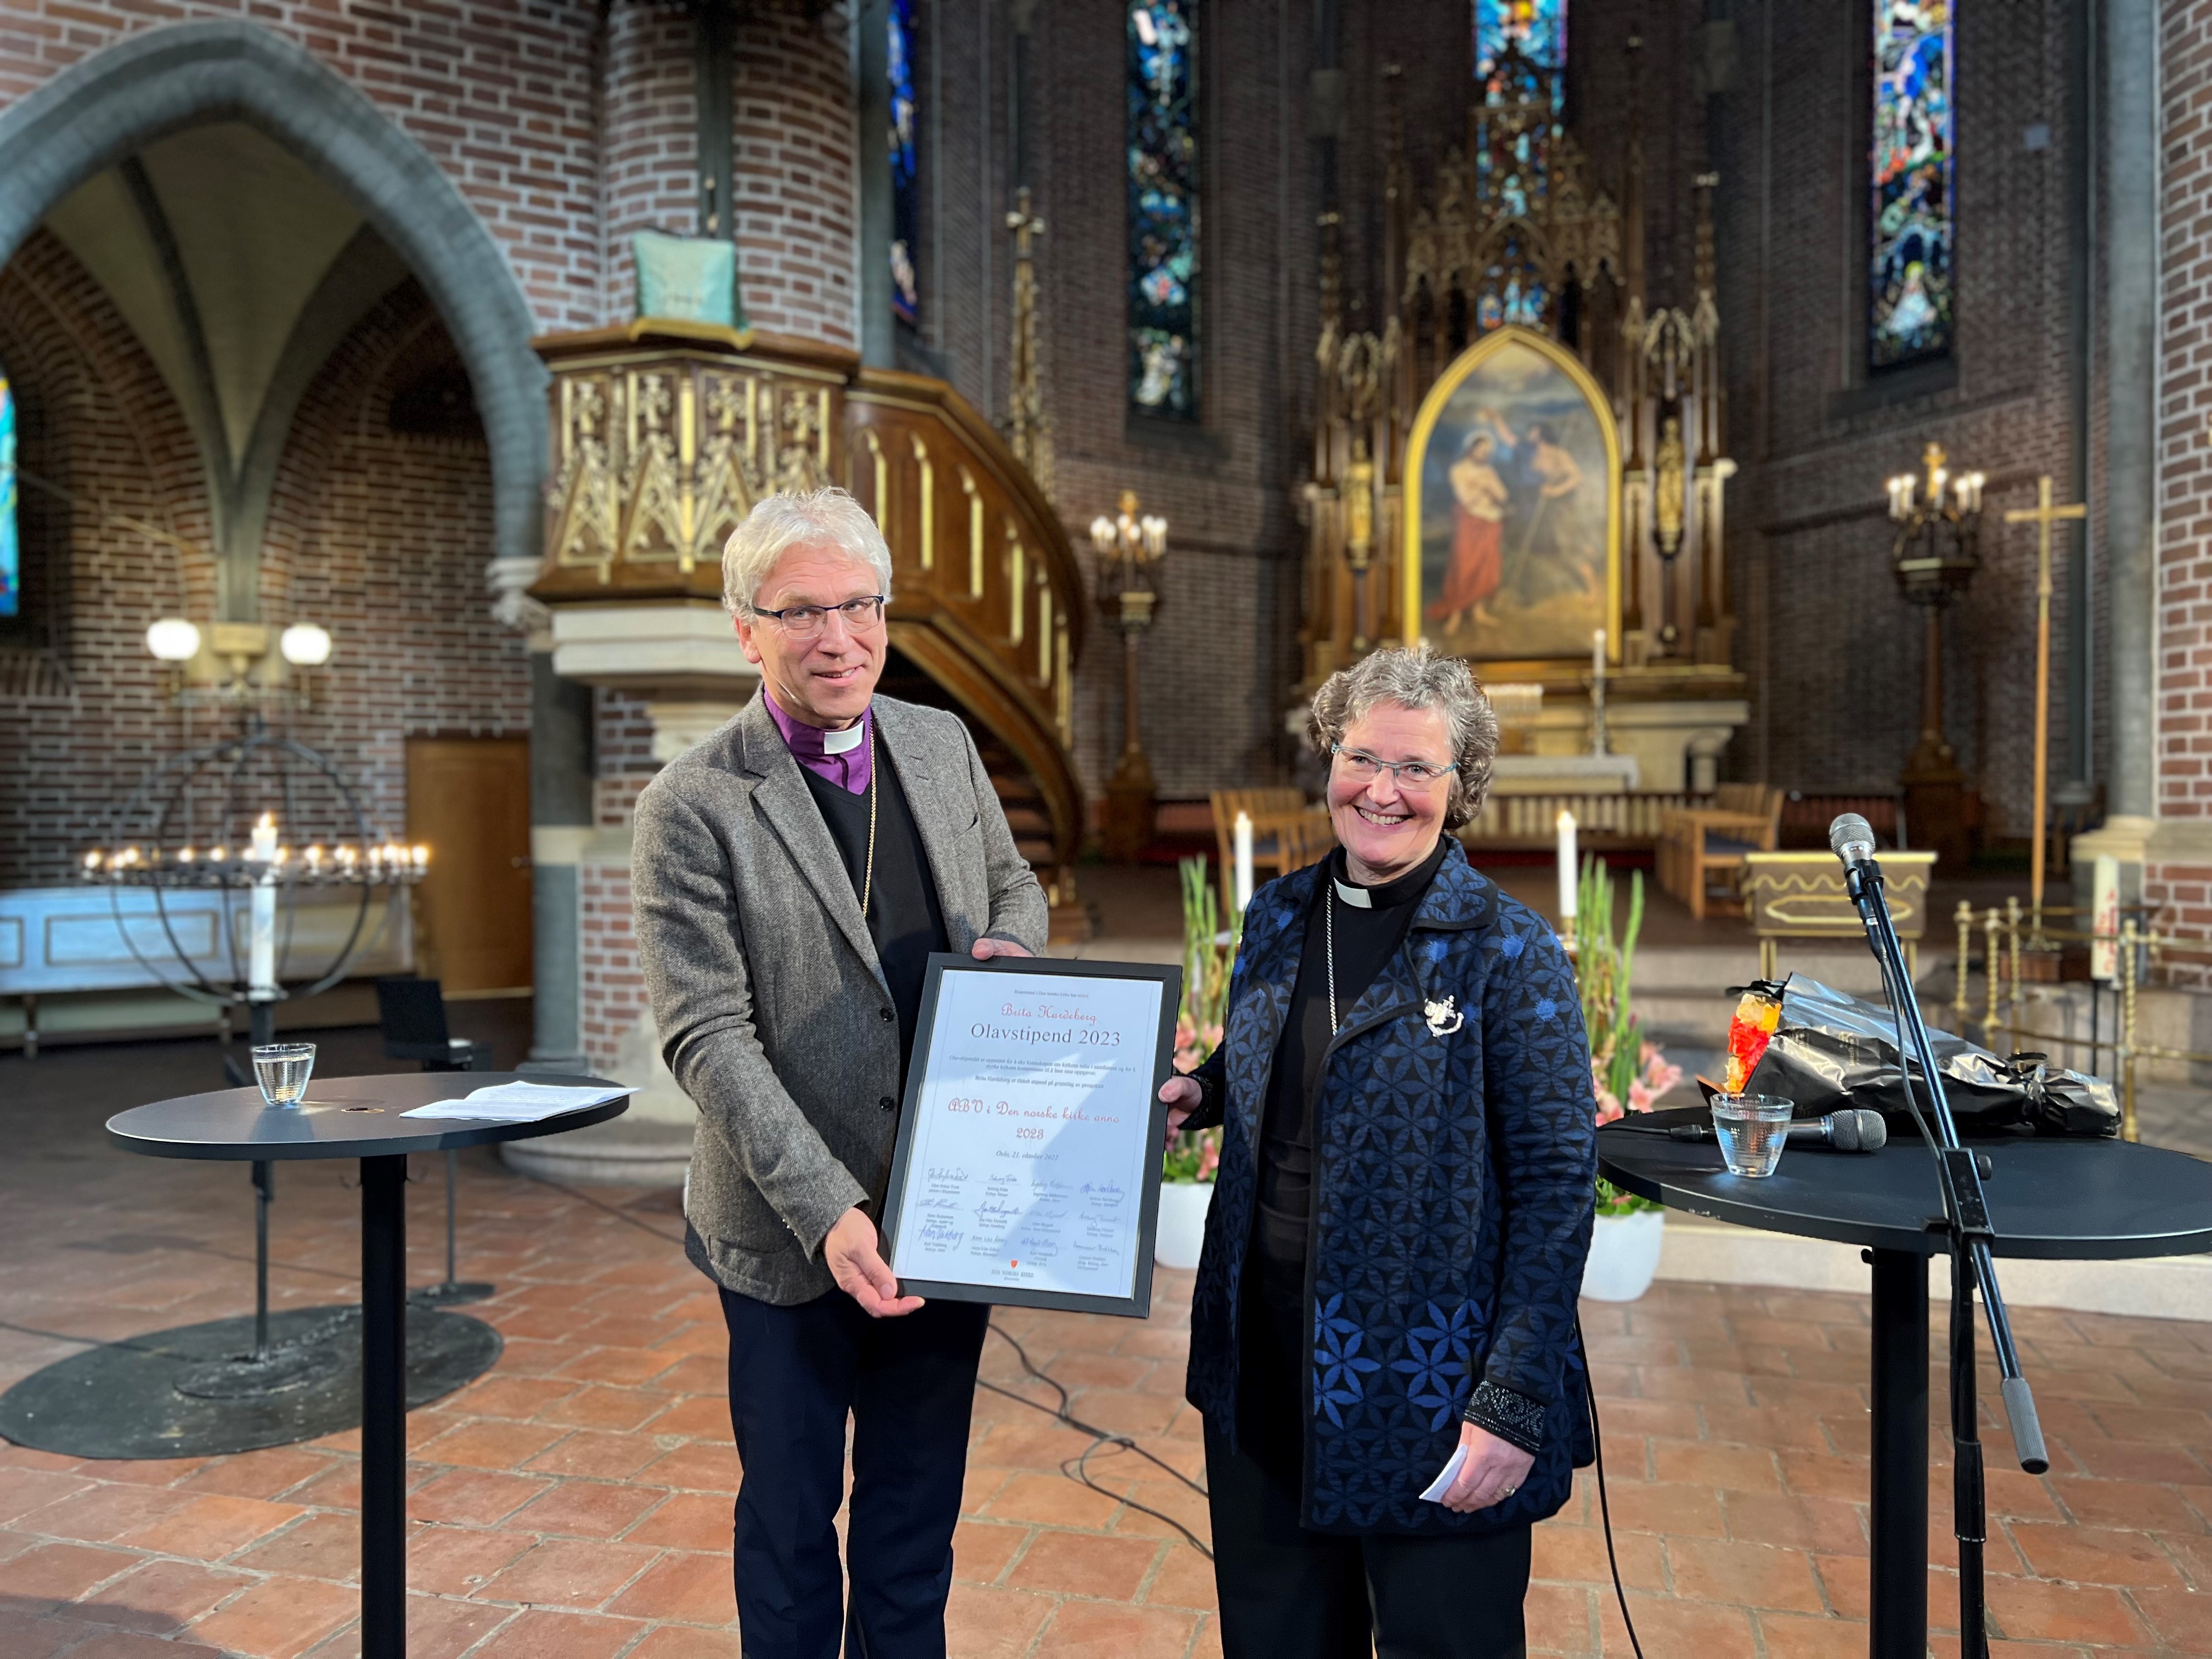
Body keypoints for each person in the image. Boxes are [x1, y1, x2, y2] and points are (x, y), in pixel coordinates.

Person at [631, 487, 1047, 1659]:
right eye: (800, 611)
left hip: (945, 1205)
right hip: (786, 1234)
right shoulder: (693, 805)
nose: (838, 637)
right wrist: (829, 1211)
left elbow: (1012, 883)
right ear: (744, 626)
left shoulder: (940, 741)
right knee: (789, 1528)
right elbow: (707, 1037)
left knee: (916, 1526)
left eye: (859, 605)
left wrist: (1012, 947)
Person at [1159, 644, 1596, 1659]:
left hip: (1430, 1383)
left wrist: (1510, 1395)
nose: (1382, 790)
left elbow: (1556, 1185)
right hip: (1261, 1362)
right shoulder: (1275, 916)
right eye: (1362, 757)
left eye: (1415, 768)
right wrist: (1207, 1087)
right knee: (1274, 1635)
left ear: (1461, 787)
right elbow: (1288, 1045)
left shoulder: (1506, 948)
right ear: (1328, 758)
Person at [1425, 431, 1508, 635]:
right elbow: (1466, 499)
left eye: (1487, 452)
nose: (1483, 454)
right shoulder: (1459, 470)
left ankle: (1479, 611)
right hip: (1468, 522)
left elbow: (1503, 496)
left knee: (1486, 566)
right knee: (1464, 566)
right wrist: (1484, 487)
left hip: (1490, 522)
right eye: (1480, 450)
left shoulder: (1489, 471)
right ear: (1471, 449)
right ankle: (1456, 614)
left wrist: (1489, 486)